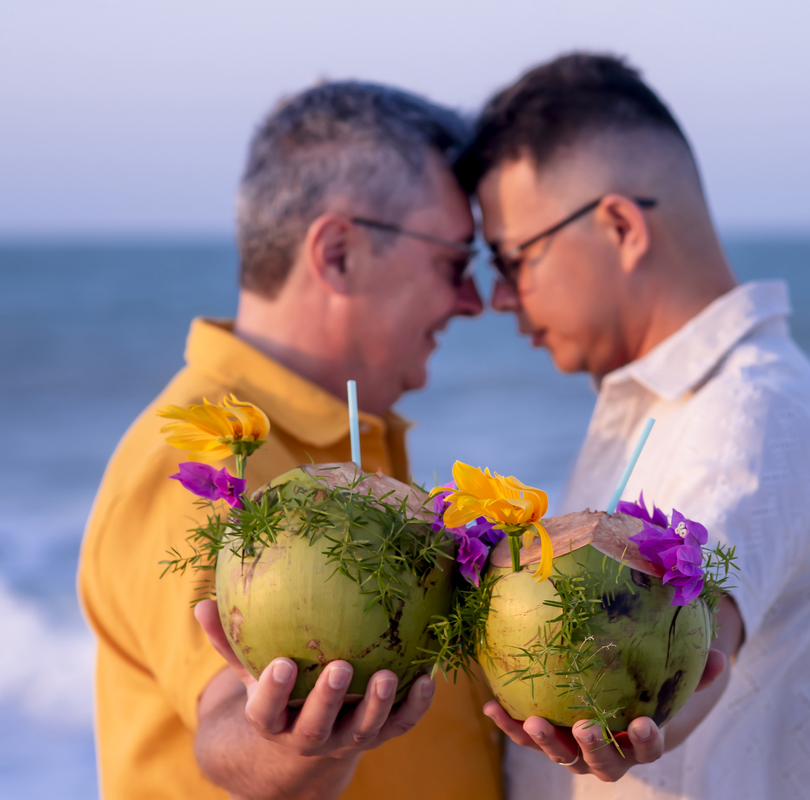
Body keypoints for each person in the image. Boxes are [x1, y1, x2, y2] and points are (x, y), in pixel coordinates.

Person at [457, 53, 810, 799]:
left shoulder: (749, 409)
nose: (499, 299)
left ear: (618, 226)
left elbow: (706, 643)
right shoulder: (663, 400)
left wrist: (641, 727)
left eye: (511, 259)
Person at [78, 82, 504, 800]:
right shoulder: (209, 457)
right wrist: (290, 742)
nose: (473, 300)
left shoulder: (344, 452)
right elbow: (228, 727)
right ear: (337, 254)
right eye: (455, 262)